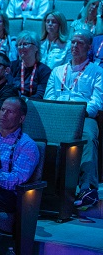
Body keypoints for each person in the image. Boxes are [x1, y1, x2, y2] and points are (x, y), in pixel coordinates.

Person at [45, 29, 103, 208]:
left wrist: (79, 113)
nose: (75, 46)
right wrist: (60, 113)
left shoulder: (97, 71)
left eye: (80, 43)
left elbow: (96, 103)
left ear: (88, 47)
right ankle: (45, 187)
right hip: (59, 115)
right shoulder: (57, 70)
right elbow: (49, 97)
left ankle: (87, 189)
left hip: (83, 115)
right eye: (73, 42)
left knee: (89, 137)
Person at [9, 31, 52, 99]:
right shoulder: (12, 66)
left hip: (33, 106)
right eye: (19, 45)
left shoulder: (45, 71)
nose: (21, 47)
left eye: (25, 44)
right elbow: (8, 89)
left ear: (36, 47)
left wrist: (24, 102)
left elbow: (40, 95)